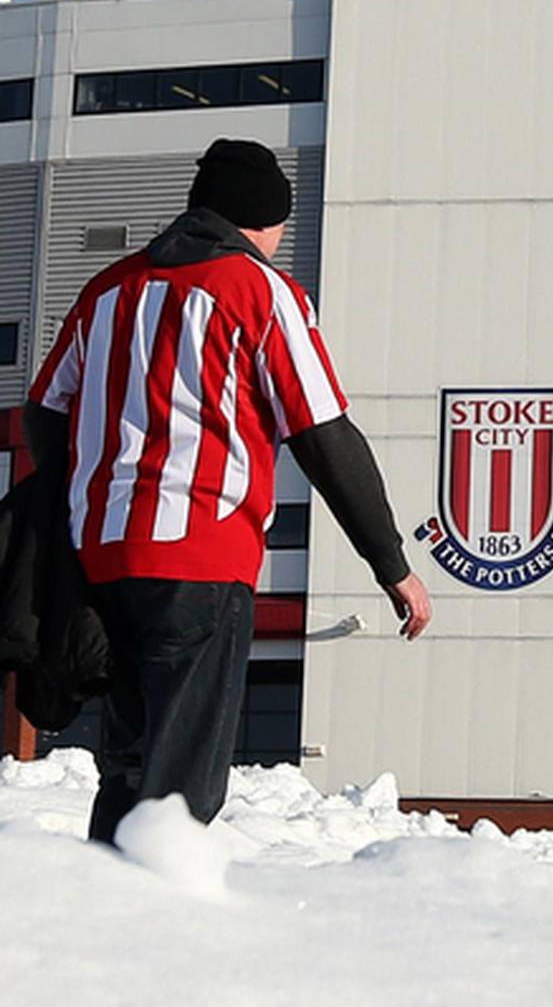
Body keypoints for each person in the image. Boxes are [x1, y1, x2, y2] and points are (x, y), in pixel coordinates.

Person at [25, 137, 431, 844]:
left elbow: (44, 410)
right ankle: (161, 927)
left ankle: (105, 920)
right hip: (201, 556)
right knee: (183, 778)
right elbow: (325, 434)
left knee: (128, 761)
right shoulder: (259, 291)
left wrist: (80, 496)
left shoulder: (110, 288)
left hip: (104, 558)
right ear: (264, 220)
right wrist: (392, 564)